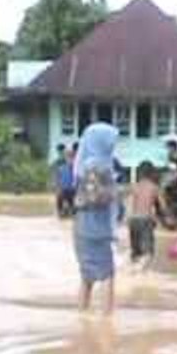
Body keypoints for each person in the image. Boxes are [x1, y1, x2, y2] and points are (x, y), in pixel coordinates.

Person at [73, 123, 120, 313]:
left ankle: (82, 315)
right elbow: (98, 197)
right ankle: (106, 318)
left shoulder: (83, 165)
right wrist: (120, 193)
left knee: (87, 275)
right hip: (96, 226)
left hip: (81, 225)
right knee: (107, 274)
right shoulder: (100, 167)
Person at [128, 162, 164, 269]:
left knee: (136, 253)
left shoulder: (135, 186)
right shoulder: (154, 187)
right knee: (148, 253)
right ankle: (140, 273)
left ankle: (133, 273)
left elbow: (130, 204)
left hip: (132, 220)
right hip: (146, 219)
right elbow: (163, 206)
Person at [51, 144, 76, 218]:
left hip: (73, 191)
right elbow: (56, 178)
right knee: (59, 199)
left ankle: (70, 211)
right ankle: (61, 212)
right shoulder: (60, 166)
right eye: (68, 155)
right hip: (63, 190)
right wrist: (56, 187)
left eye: (71, 155)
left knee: (73, 208)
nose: (70, 158)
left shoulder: (76, 167)